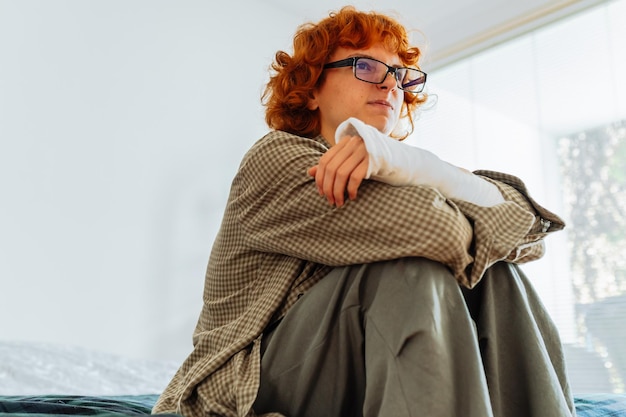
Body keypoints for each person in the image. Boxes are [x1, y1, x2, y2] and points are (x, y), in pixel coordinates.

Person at [154, 6, 575, 417]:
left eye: (399, 75)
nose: (391, 86)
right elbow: (438, 232)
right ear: (313, 88)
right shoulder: (279, 158)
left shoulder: (402, 172)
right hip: (246, 385)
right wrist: (447, 183)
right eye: (368, 68)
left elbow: (531, 236)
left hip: (349, 364)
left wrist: (419, 165)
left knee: (496, 271)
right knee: (409, 266)